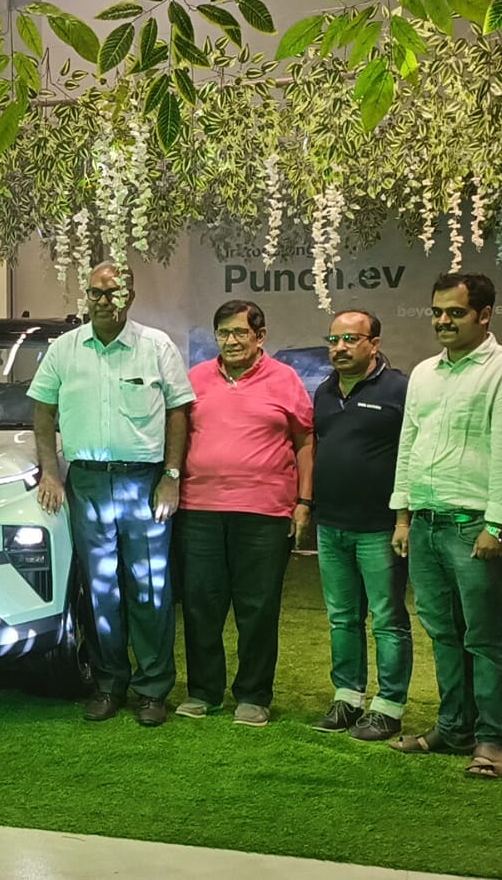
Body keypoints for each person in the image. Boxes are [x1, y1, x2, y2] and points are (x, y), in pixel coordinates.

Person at [27, 261, 194, 727]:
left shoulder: (156, 346)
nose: (104, 301)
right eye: (96, 293)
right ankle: (108, 683)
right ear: (86, 296)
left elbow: (178, 412)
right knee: (100, 588)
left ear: (130, 297)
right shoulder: (64, 349)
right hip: (87, 482)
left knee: (150, 586)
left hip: (144, 481)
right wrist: (51, 473)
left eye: (114, 293)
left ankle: (153, 689)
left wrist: (171, 475)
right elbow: (43, 414)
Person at [389, 273, 502, 779]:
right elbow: (409, 445)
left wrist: (499, 525)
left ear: (484, 315)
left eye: (455, 312)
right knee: (443, 633)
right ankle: (454, 728)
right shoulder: (424, 373)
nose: (443, 321)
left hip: (474, 525)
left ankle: (493, 741)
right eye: (437, 312)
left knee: (485, 636)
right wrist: (403, 516)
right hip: (426, 524)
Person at [176, 299, 313, 728]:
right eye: (223, 333)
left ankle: (254, 695)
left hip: (264, 512)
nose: (231, 341)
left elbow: (305, 442)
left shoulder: (285, 379)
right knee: (201, 603)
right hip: (199, 510)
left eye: (240, 332)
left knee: (258, 607)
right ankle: (203, 691)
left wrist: (304, 502)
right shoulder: (196, 378)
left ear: (260, 336)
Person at [309, 310, 413, 741]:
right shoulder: (324, 391)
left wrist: (404, 518)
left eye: (351, 339)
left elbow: (412, 454)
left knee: (387, 618)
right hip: (331, 525)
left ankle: (388, 707)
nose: (340, 347)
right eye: (333, 339)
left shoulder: (400, 389)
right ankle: (348, 698)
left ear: (374, 343)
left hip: (379, 527)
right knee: (342, 617)